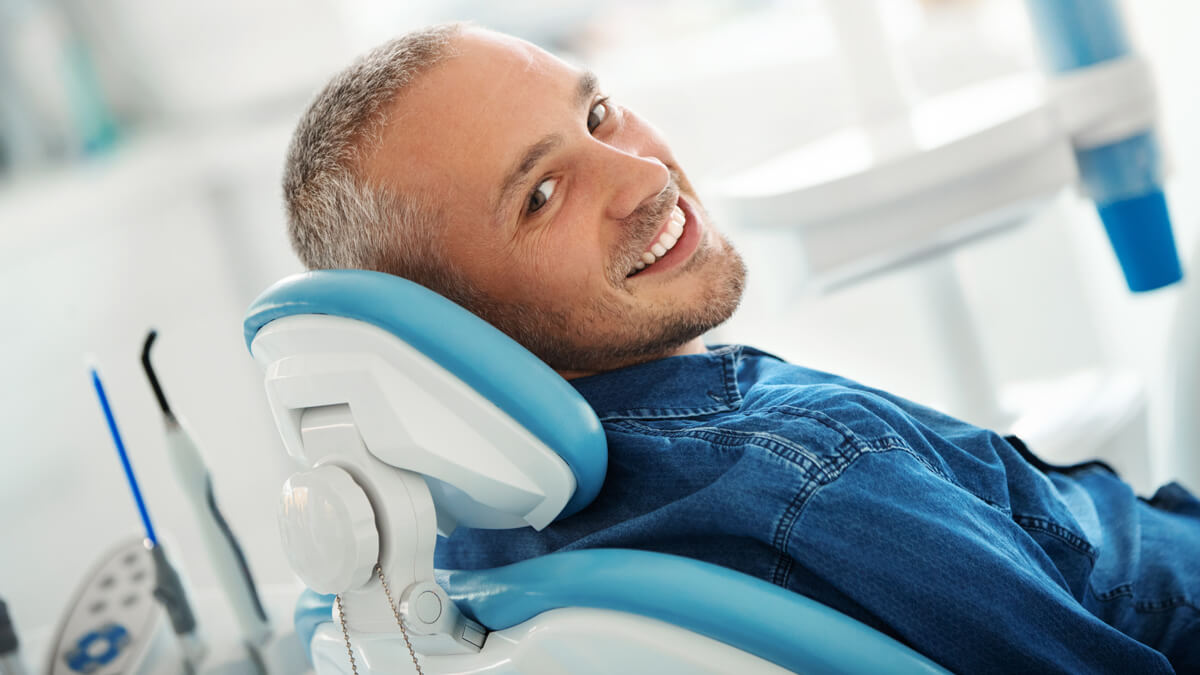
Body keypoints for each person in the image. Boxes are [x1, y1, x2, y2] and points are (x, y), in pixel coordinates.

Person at [281, 23, 1199, 674]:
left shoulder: (450, 563)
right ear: (451, 323)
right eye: (541, 194)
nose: (643, 174)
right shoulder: (814, 470)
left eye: (598, 115)